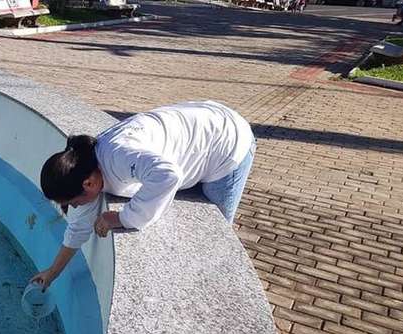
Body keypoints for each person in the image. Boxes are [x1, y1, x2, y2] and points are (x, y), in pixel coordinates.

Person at [30, 101, 255, 288]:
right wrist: (53, 272)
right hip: (199, 129)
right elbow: (77, 229)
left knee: (215, 237)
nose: (76, 208)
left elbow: (168, 174)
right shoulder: (84, 165)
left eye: (74, 203)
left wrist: (122, 218)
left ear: (88, 184)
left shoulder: (118, 156)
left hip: (226, 140)